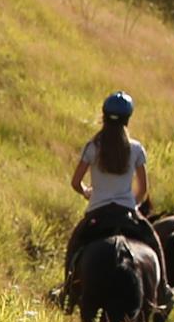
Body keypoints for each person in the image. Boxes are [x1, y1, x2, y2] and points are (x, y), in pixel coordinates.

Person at [64, 91, 165, 292]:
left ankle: (66, 289)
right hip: (126, 211)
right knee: (154, 242)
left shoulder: (93, 147)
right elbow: (143, 190)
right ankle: (164, 289)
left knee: (74, 245)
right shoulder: (136, 149)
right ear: (128, 119)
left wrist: (87, 192)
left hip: (97, 211)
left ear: (104, 116)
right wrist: (132, 204)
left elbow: (76, 182)